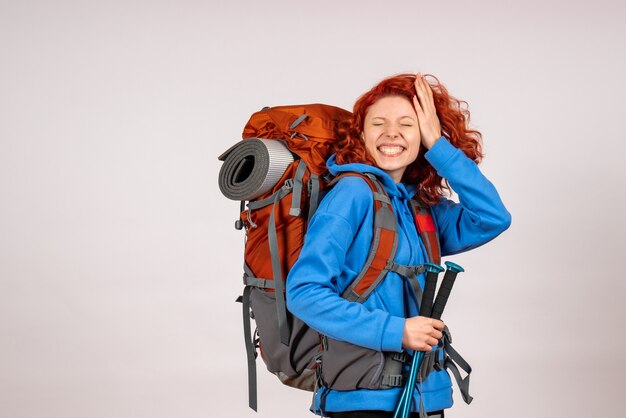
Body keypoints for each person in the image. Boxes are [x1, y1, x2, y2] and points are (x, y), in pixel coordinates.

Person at [286, 73, 511, 418]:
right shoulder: (352, 194)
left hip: (424, 396)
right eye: (379, 123)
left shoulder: (419, 206)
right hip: (365, 403)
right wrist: (398, 332)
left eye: (407, 124)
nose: (391, 133)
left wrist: (438, 145)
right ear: (361, 134)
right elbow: (303, 292)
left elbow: (493, 217)